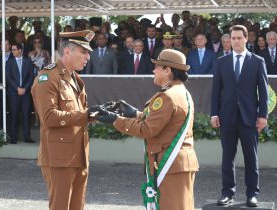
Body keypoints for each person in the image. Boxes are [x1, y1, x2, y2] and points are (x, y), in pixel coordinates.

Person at [95, 49, 199, 210]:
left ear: (168, 70)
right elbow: (166, 121)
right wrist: (136, 114)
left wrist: (116, 120)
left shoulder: (167, 96)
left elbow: (147, 130)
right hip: (179, 163)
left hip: (169, 163)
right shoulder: (180, 91)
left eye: (157, 66)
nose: (153, 70)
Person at [31, 30, 97, 210]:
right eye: (84, 52)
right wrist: (87, 114)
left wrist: (95, 114)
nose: (88, 58)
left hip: (78, 155)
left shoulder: (75, 78)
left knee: (77, 206)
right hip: (59, 158)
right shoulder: (48, 77)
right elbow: (49, 117)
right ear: (67, 51)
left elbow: (77, 114)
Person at [211, 25, 268, 207]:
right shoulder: (221, 62)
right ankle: (227, 193)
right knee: (227, 157)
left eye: (238, 38)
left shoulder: (257, 61)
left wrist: (262, 115)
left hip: (249, 117)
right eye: (232, 38)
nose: (235, 41)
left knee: (251, 157)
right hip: (227, 116)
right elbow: (215, 91)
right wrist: (214, 113)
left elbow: (264, 92)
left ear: (245, 39)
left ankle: (252, 194)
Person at [6, 42, 34, 144]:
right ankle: (14, 138)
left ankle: (27, 137)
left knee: (26, 115)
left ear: (20, 50)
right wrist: (17, 88)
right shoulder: (9, 62)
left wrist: (24, 89)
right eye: (12, 49)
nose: (12, 51)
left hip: (25, 93)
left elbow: (31, 77)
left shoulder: (28, 62)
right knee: (13, 115)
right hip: (13, 93)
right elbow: (8, 78)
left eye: (14, 49)